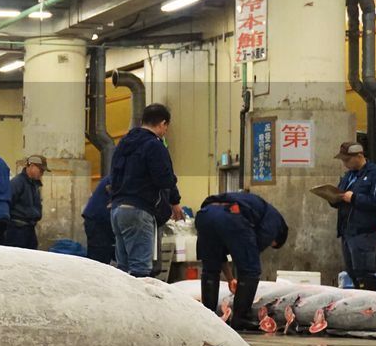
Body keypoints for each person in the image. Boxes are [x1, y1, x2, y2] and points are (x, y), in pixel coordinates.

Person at [195, 191, 289, 331]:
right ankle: (240, 319)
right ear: (278, 235)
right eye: (272, 244)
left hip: (205, 214)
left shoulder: (258, 208)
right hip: (231, 215)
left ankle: (207, 316)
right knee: (251, 270)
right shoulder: (274, 222)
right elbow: (250, 254)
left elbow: (219, 256)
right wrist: (243, 281)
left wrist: (230, 278)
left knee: (210, 268)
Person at [108, 102, 182, 277]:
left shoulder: (123, 144)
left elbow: (112, 178)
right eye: (166, 128)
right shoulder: (154, 145)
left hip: (117, 211)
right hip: (139, 211)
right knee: (140, 270)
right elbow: (164, 178)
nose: (165, 132)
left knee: (123, 270)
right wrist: (175, 200)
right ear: (163, 124)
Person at [330, 141, 376, 291]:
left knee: (364, 272)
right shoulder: (348, 176)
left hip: (364, 232)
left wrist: (355, 198)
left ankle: (371, 306)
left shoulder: (375, 175)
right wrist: (332, 198)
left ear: (359, 155)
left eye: (347, 160)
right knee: (352, 272)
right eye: (343, 160)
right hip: (347, 231)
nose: (345, 163)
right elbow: (340, 195)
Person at [5, 155, 46, 249]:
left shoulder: (34, 185)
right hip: (16, 230)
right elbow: (7, 203)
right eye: (41, 170)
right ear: (31, 166)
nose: (42, 173)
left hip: (29, 229)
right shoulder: (17, 183)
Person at [82, 176, 115, 264]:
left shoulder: (114, 176)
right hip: (98, 221)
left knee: (99, 257)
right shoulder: (116, 177)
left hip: (97, 219)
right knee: (99, 259)